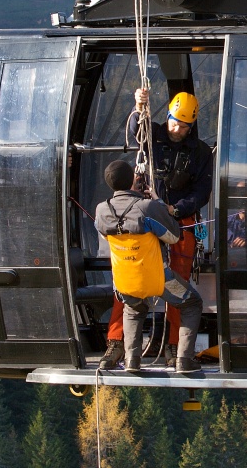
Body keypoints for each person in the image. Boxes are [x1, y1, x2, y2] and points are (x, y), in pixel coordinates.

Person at [98, 88, 213, 370]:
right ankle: (116, 345)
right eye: (173, 121)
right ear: (169, 116)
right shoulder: (155, 135)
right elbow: (138, 128)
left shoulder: (199, 153)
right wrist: (139, 106)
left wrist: (175, 210)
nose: (176, 128)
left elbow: (201, 193)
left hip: (178, 217)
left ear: (191, 125)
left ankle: (174, 348)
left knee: (178, 284)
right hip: (147, 214)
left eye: (182, 125)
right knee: (128, 280)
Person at [95, 159, 203, 373]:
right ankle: (184, 359)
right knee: (192, 303)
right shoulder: (147, 207)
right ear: (133, 180)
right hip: (158, 278)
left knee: (133, 308)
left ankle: (132, 361)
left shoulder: (101, 210)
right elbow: (173, 236)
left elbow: (105, 234)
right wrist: (158, 203)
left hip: (125, 280)